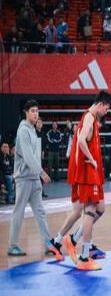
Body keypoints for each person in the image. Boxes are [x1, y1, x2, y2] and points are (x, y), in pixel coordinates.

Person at [53, 91, 111, 271]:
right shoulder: (89, 118)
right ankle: (84, 256)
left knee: (99, 208)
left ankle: (71, 239)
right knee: (90, 210)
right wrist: (92, 159)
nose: (106, 113)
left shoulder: (89, 118)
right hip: (87, 173)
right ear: (101, 104)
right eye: (106, 109)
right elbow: (81, 141)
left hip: (88, 173)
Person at [7, 100, 60, 258]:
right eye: (32, 111)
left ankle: (48, 244)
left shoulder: (32, 130)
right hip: (24, 179)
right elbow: (29, 157)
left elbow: (35, 157)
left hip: (34, 179)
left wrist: (38, 175)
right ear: (26, 112)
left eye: (37, 111)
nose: (36, 114)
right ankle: (12, 246)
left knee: (40, 212)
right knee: (19, 212)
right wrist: (42, 173)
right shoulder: (23, 130)